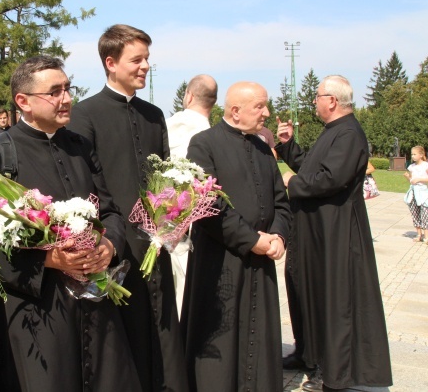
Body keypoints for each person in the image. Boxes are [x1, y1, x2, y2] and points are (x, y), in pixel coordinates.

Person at [0, 56, 141, 392]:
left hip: (95, 306)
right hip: (36, 314)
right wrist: (48, 259)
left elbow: (112, 212)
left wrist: (108, 246)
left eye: (68, 88)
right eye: (55, 92)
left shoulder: (80, 146)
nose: (67, 98)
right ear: (23, 101)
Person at [68, 24, 188, 391]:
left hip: (156, 244)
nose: (145, 66)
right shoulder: (84, 115)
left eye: (147, 58)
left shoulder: (154, 115)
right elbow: (85, 185)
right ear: (111, 62)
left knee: (164, 329)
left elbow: (167, 175)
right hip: (115, 248)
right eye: (137, 59)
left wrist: (174, 218)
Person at [276, 75, 392, 391]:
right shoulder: (333, 132)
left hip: (335, 232)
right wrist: (286, 145)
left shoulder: (350, 134)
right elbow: (311, 167)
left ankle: (335, 373)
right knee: (306, 290)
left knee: (333, 298)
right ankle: (308, 353)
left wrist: (291, 184)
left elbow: (330, 178)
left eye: (317, 96)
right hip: (315, 230)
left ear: (332, 100)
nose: (314, 101)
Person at [181, 81, 290, 392]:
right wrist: (250, 240)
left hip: (262, 259)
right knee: (221, 339)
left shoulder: (261, 148)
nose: (267, 113)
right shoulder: (203, 144)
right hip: (221, 260)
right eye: (260, 106)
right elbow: (208, 205)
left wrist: (279, 235)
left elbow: (281, 200)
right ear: (235, 110)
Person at [165, 74, 218, 315]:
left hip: (163, 213)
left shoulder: (168, 126)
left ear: (189, 96)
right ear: (213, 103)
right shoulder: (213, 138)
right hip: (195, 222)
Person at [404, 146, 428, 242]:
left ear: (421, 155)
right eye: (412, 154)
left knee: (425, 214)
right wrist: (408, 178)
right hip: (414, 192)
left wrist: (420, 179)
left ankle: (426, 236)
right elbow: (412, 181)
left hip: (423, 193)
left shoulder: (425, 165)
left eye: (415, 154)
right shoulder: (412, 167)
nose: (413, 156)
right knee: (415, 213)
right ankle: (419, 234)